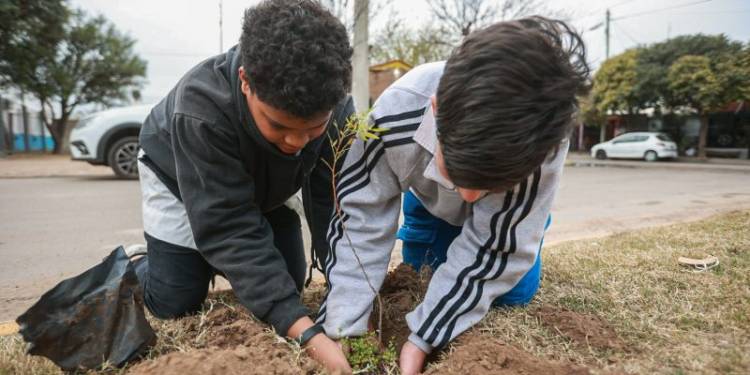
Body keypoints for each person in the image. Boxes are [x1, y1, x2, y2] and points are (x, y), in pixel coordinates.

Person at [316, 16, 590, 374]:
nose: (471, 195)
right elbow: (361, 217)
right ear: (435, 110)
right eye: (459, 172)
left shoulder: (541, 140)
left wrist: (424, 337)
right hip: (426, 195)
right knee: (423, 273)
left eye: (488, 183)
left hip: (507, 212)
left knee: (513, 293)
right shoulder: (397, 111)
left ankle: (532, 225)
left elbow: (496, 249)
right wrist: (345, 323)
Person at [133, 0, 353, 372]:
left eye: (312, 128)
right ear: (245, 82)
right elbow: (229, 225)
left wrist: (345, 291)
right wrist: (305, 333)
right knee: (175, 300)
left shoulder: (333, 103)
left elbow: (329, 201)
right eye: (279, 126)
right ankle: (139, 263)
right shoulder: (201, 110)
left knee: (289, 284)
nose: (297, 142)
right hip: (179, 176)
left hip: (263, 185)